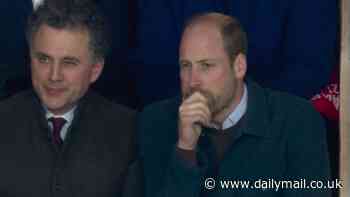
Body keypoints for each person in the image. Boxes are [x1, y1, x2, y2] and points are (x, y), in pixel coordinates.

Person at [138, 13, 331, 197]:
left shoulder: (298, 121)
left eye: (206, 65)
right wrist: (185, 149)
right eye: (186, 65)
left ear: (239, 66)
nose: (192, 81)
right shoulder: (156, 122)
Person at [0, 1, 141, 196]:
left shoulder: (130, 131)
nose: (54, 75)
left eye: (69, 62)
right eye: (43, 59)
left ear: (95, 69)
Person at [131, 0, 338, 107]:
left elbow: (307, 66)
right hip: (182, 121)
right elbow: (154, 70)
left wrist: (238, 115)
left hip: (273, 126)